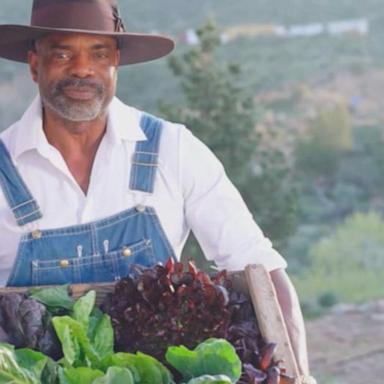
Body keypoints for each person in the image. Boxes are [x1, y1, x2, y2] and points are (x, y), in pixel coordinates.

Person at [0, 1, 315, 382]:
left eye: (98, 53)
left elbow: (260, 269)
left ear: (116, 62)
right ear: (35, 64)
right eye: (63, 53)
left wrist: (296, 375)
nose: (82, 68)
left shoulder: (173, 150)